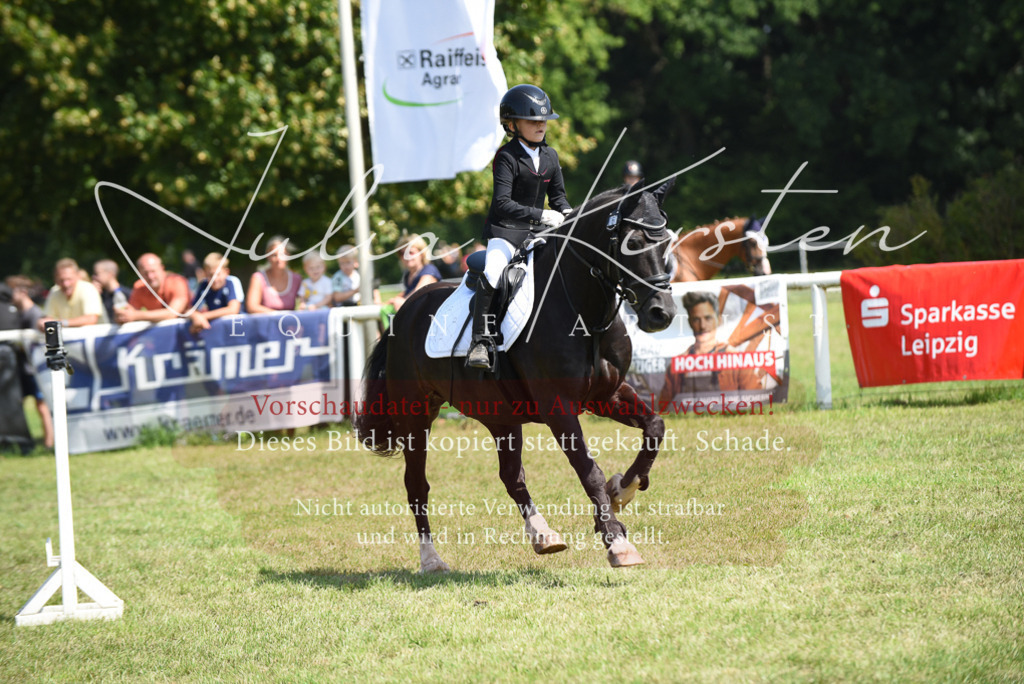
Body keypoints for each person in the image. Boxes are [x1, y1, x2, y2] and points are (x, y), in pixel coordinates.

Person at [467, 84, 572, 369]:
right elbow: (502, 203)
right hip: (506, 232)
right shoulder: (507, 157)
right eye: (532, 120)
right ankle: (481, 341)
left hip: (539, 233)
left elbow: (559, 197)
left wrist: (567, 212)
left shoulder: (550, 156)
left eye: (543, 120)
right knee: (492, 273)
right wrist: (541, 215)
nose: (541, 125)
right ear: (512, 124)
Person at [659, 291, 761, 404]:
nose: (702, 326)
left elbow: (756, 400)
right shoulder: (677, 366)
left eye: (708, 318)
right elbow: (664, 407)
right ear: (689, 322)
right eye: (696, 319)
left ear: (719, 320)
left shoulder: (737, 360)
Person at [5, 276, 54, 449]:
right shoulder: (17, 313)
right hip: (24, 367)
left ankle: (49, 441)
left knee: (41, 405)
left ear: (23, 292)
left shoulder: (35, 314)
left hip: (35, 368)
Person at [116, 253, 191, 323]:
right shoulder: (139, 287)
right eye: (146, 273)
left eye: (153, 271)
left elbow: (173, 313)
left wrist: (136, 315)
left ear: (162, 268)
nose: (150, 276)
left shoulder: (177, 282)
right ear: (140, 273)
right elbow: (131, 312)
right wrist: (122, 316)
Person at [39, 258, 108, 329]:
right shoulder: (55, 291)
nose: (66, 284)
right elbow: (48, 318)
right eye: (61, 280)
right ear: (55, 279)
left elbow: (91, 319)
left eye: (69, 279)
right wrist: (43, 324)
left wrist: (60, 323)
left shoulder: (88, 289)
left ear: (78, 276)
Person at [384, 234, 441, 313]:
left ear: (421, 253)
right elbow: (408, 292)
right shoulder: (408, 275)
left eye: (410, 252)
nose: (406, 256)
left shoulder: (429, 270)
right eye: (402, 253)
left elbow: (418, 292)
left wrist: (401, 301)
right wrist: (392, 301)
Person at [188, 252, 242, 334]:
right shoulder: (204, 285)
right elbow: (191, 310)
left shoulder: (232, 282)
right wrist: (196, 317)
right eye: (210, 275)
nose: (214, 279)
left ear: (226, 272)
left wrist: (203, 316)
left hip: (237, 329)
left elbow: (233, 309)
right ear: (205, 274)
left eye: (218, 274)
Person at [246, 236, 302, 313]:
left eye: (283, 254)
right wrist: (277, 315)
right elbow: (252, 307)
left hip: (290, 323)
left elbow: (305, 302)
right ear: (268, 256)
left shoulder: (297, 279)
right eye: (274, 255)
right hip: (265, 323)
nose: (279, 259)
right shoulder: (258, 278)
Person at [92, 259, 132, 323]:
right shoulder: (99, 295)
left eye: (97, 274)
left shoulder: (128, 294)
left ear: (110, 274)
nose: (93, 277)